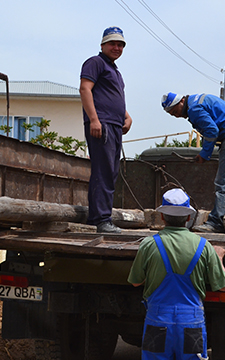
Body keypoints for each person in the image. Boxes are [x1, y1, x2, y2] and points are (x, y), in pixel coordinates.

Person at [128, 188, 225, 360]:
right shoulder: (204, 246)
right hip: (191, 322)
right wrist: (218, 257)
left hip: (157, 319)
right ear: (189, 218)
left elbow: (136, 282)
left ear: (162, 217)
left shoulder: (149, 245)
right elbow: (223, 286)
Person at [161, 92, 225, 233]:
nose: (176, 115)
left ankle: (215, 223)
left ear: (181, 102)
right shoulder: (196, 102)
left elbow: (211, 130)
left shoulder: (194, 109)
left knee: (224, 182)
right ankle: (223, 220)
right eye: (172, 114)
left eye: (175, 111)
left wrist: (204, 154)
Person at [80, 26, 133, 233]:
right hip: (101, 124)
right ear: (103, 44)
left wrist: (127, 117)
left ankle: (99, 218)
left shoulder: (115, 71)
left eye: (120, 44)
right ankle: (102, 219)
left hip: (114, 125)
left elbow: (114, 97)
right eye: (113, 43)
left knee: (110, 172)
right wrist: (94, 119)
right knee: (103, 171)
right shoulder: (95, 62)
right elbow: (85, 88)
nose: (117, 47)